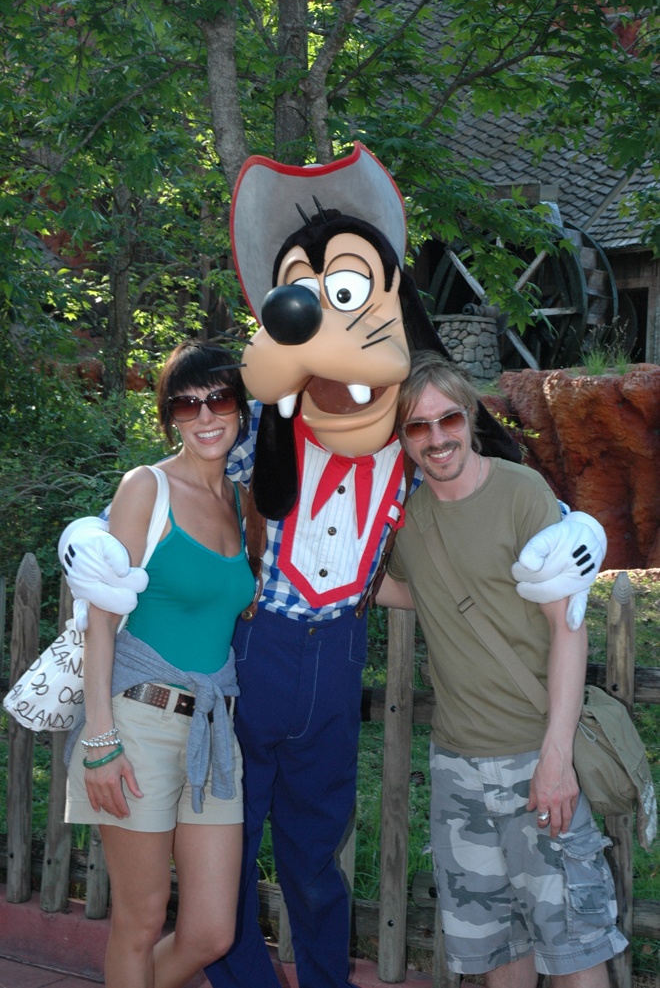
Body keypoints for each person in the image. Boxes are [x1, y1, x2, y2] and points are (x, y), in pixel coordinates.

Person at [57, 148, 607, 988]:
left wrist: (578, 532)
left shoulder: (408, 446)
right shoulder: (259, 437)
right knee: (233, 835)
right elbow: (184, 478)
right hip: (258, 650)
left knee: (317, 848)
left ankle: (324, 978)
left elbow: (487, 485)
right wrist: (91, 533)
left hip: (338, 653)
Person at [376, 351, 627, 987]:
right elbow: (404, 588)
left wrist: (556, 758)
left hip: (534, 758)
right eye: (418, 426)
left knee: (576, 950)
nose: (437, 438)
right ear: (402, 437)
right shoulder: (410, 520)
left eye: (448, 419)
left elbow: (567, 628)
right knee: (496, 955)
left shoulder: (521, 493)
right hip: (455, 767)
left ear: (470, 416)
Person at [64, 341, 256, 988]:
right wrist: (100, 740)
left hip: (213, 731)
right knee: (140, 921)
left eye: (218, 399)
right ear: (169, 415)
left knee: (211, 931)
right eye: (185, 403)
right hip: (138, 723)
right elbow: (100, 618)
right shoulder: (146, 486)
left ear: (240, 408)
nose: (204, 416)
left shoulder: (242, 502)